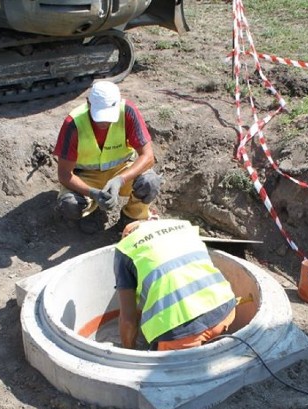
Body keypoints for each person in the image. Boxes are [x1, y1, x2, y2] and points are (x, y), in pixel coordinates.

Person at [53, 80, 161, 234]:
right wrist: (92, 193)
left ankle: (131, 218)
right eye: (99, 116)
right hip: (86, 178)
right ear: (88, 104)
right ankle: (90, 212)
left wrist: (120, 180)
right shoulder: (74, 123)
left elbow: (148, 156)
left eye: (108, 117)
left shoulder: (128, 112)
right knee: (69, 204)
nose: (104, 123)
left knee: (150, 182)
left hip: (122, 170)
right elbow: (64, 175)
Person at [114, 218, 238, 351]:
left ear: (126, 237)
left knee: (167, 369)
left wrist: (129, 352)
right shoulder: (183, 227)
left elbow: (128, 321)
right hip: (226, 312)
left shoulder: (125, 249)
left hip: (181, 336)